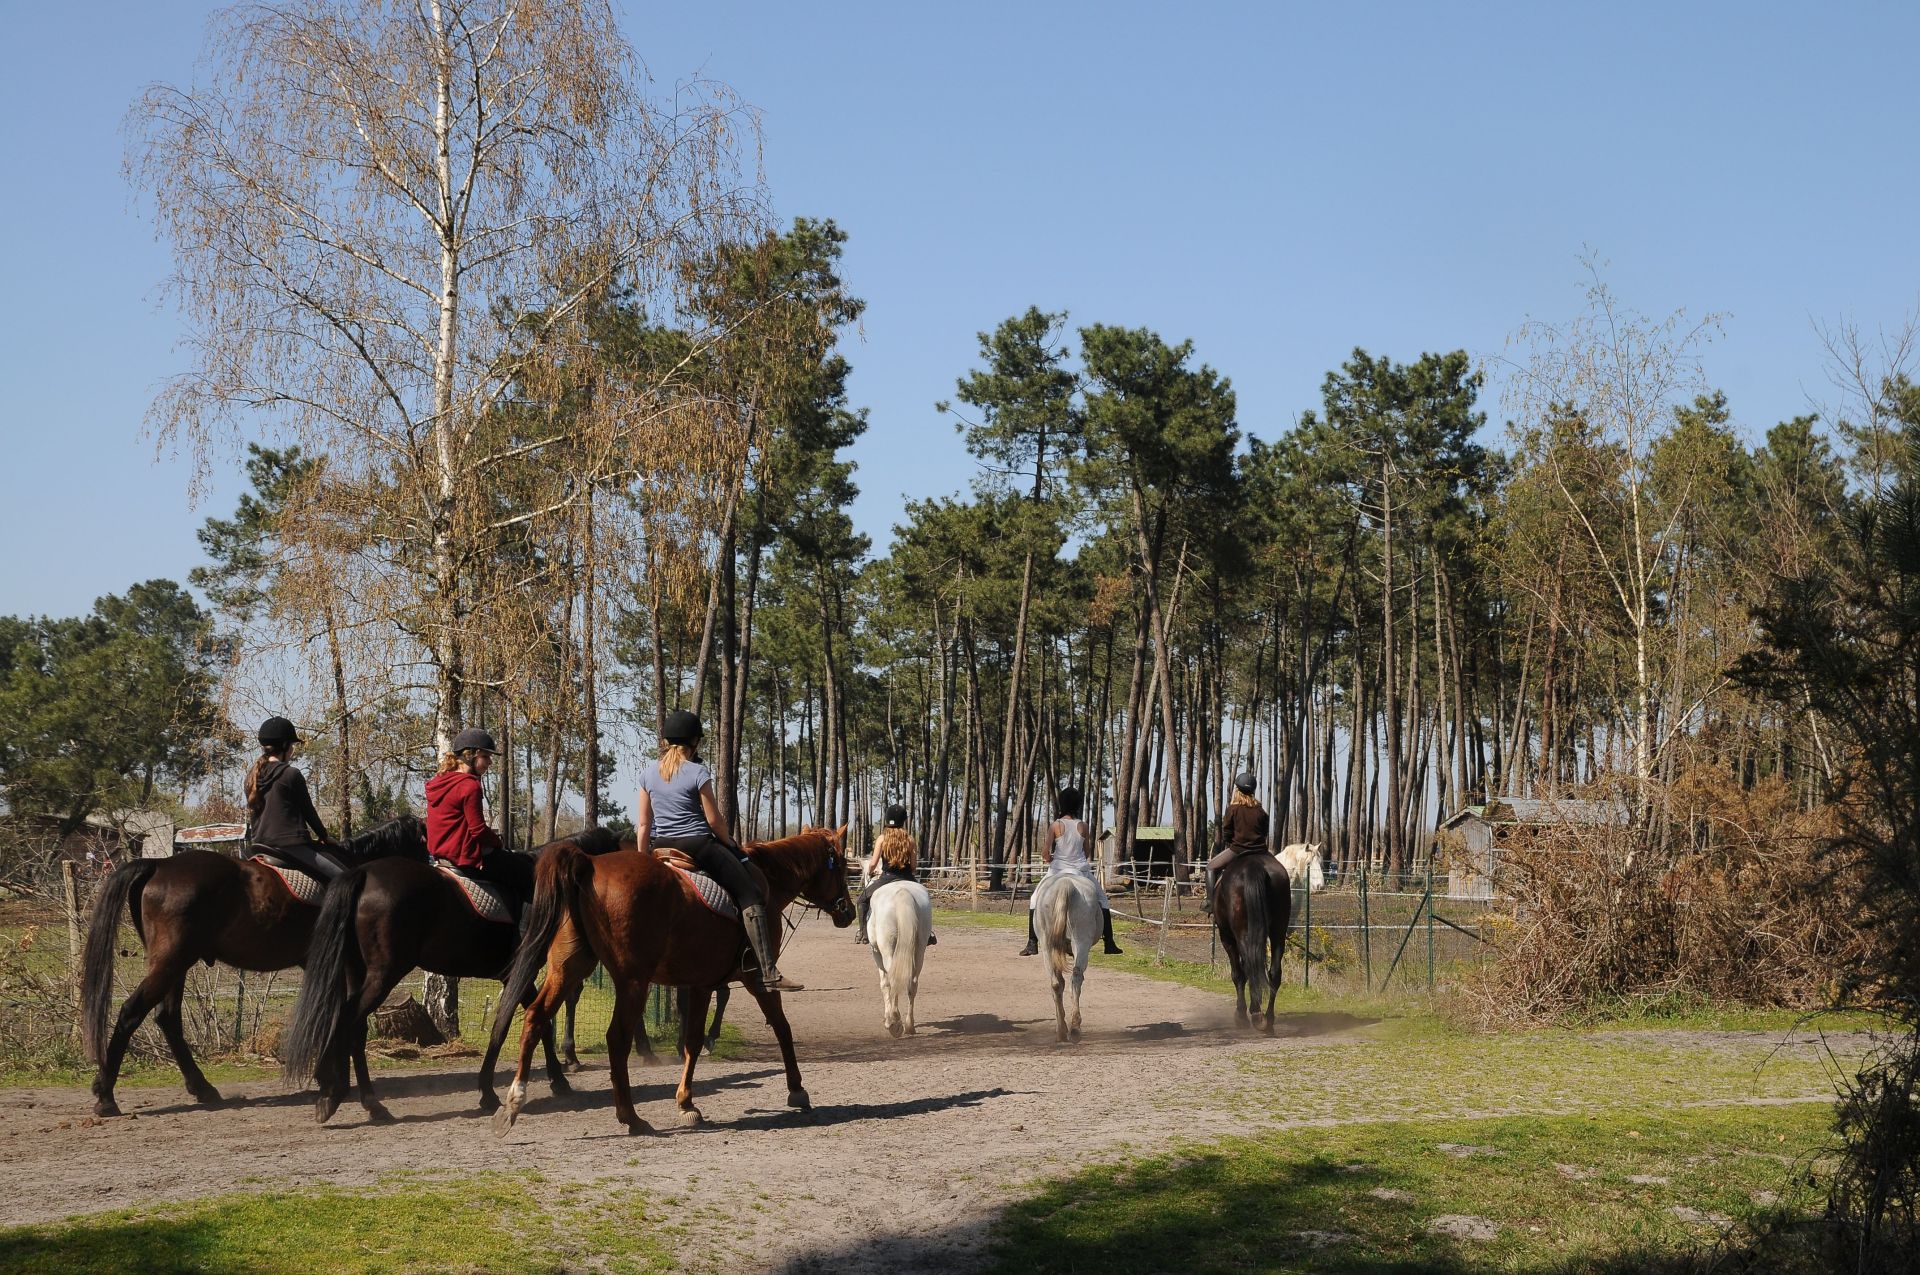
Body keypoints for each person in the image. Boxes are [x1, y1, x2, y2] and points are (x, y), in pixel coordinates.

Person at [635, 710, 801, 992]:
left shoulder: (647, 774)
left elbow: (643, 823)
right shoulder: (697, 772)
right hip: (698, 845)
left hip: (661, 846)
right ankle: (767, 970)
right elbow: (713, 820)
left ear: (665, 741)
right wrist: (730, 843)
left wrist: (642, 859)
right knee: (751, 894)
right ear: (695, 742)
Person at [1018, 787, 1124, 958]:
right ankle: (1109, 941)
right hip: (1079, 870)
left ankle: (1032, 942)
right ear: (1077, 805)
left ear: (1062, 803)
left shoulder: (1056, 825)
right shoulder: (1083, 825)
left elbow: (1045, 852)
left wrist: (1050, 858)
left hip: (1058, 869)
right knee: (1103, 899)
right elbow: (1087, 851)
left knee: (1034, 899)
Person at [244, 716, 351, 879]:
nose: (293, 750)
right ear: (285, 745)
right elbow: (308, 811)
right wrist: (324, 836)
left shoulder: (251, 777)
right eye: (292, 745)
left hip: (260, 845)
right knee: (346, 878)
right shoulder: (290, 774)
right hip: (290, 846)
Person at [425, 727, 522, 896]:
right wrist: (499, 843)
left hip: (439, 856)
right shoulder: (469, 786)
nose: (490, 762)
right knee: (522, 874)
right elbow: (478, 831)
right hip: (462, 856)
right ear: (470, 756)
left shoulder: (439, 782)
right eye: (485, 756)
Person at [855, 804, 936, 947]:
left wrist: (871, 871)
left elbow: (873, 863)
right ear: (903, 820)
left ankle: (863, 933)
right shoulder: (910, 839)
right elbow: (913, 866)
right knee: (924, 898)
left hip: (887, 877)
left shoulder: (882, 839)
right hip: (907, 877)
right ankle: (928, 933)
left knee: (861, 900)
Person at [1203, 770, 1270, 913]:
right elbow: (1264, 833)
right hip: (1261, 851)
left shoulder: (1233, 809)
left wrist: (1230, 842)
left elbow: (1227, 832)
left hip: (1238, 850)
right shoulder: (1261, 811)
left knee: (1210, 868)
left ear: (1237, 790)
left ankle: (1210, 903)